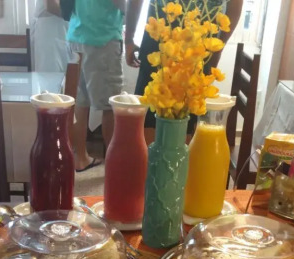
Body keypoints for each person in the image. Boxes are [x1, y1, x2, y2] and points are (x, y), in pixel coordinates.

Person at [125, 0, 244, 142]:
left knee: (185, 111)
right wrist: (216, 50)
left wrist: (129, 39)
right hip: (165, 32)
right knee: (153, 110)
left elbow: (235, 6)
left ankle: (158, 156)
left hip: (195, 36)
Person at [66, 0, 125, 172]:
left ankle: (80, 157)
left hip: (76, 34)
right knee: (111, 105)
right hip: (102, 36)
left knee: (80, 102)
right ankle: (113, 166)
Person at [30, 0, 72, 73]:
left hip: (61, 27)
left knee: (66, 74)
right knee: (49, 75)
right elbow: (51, 5)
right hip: (49, 31)